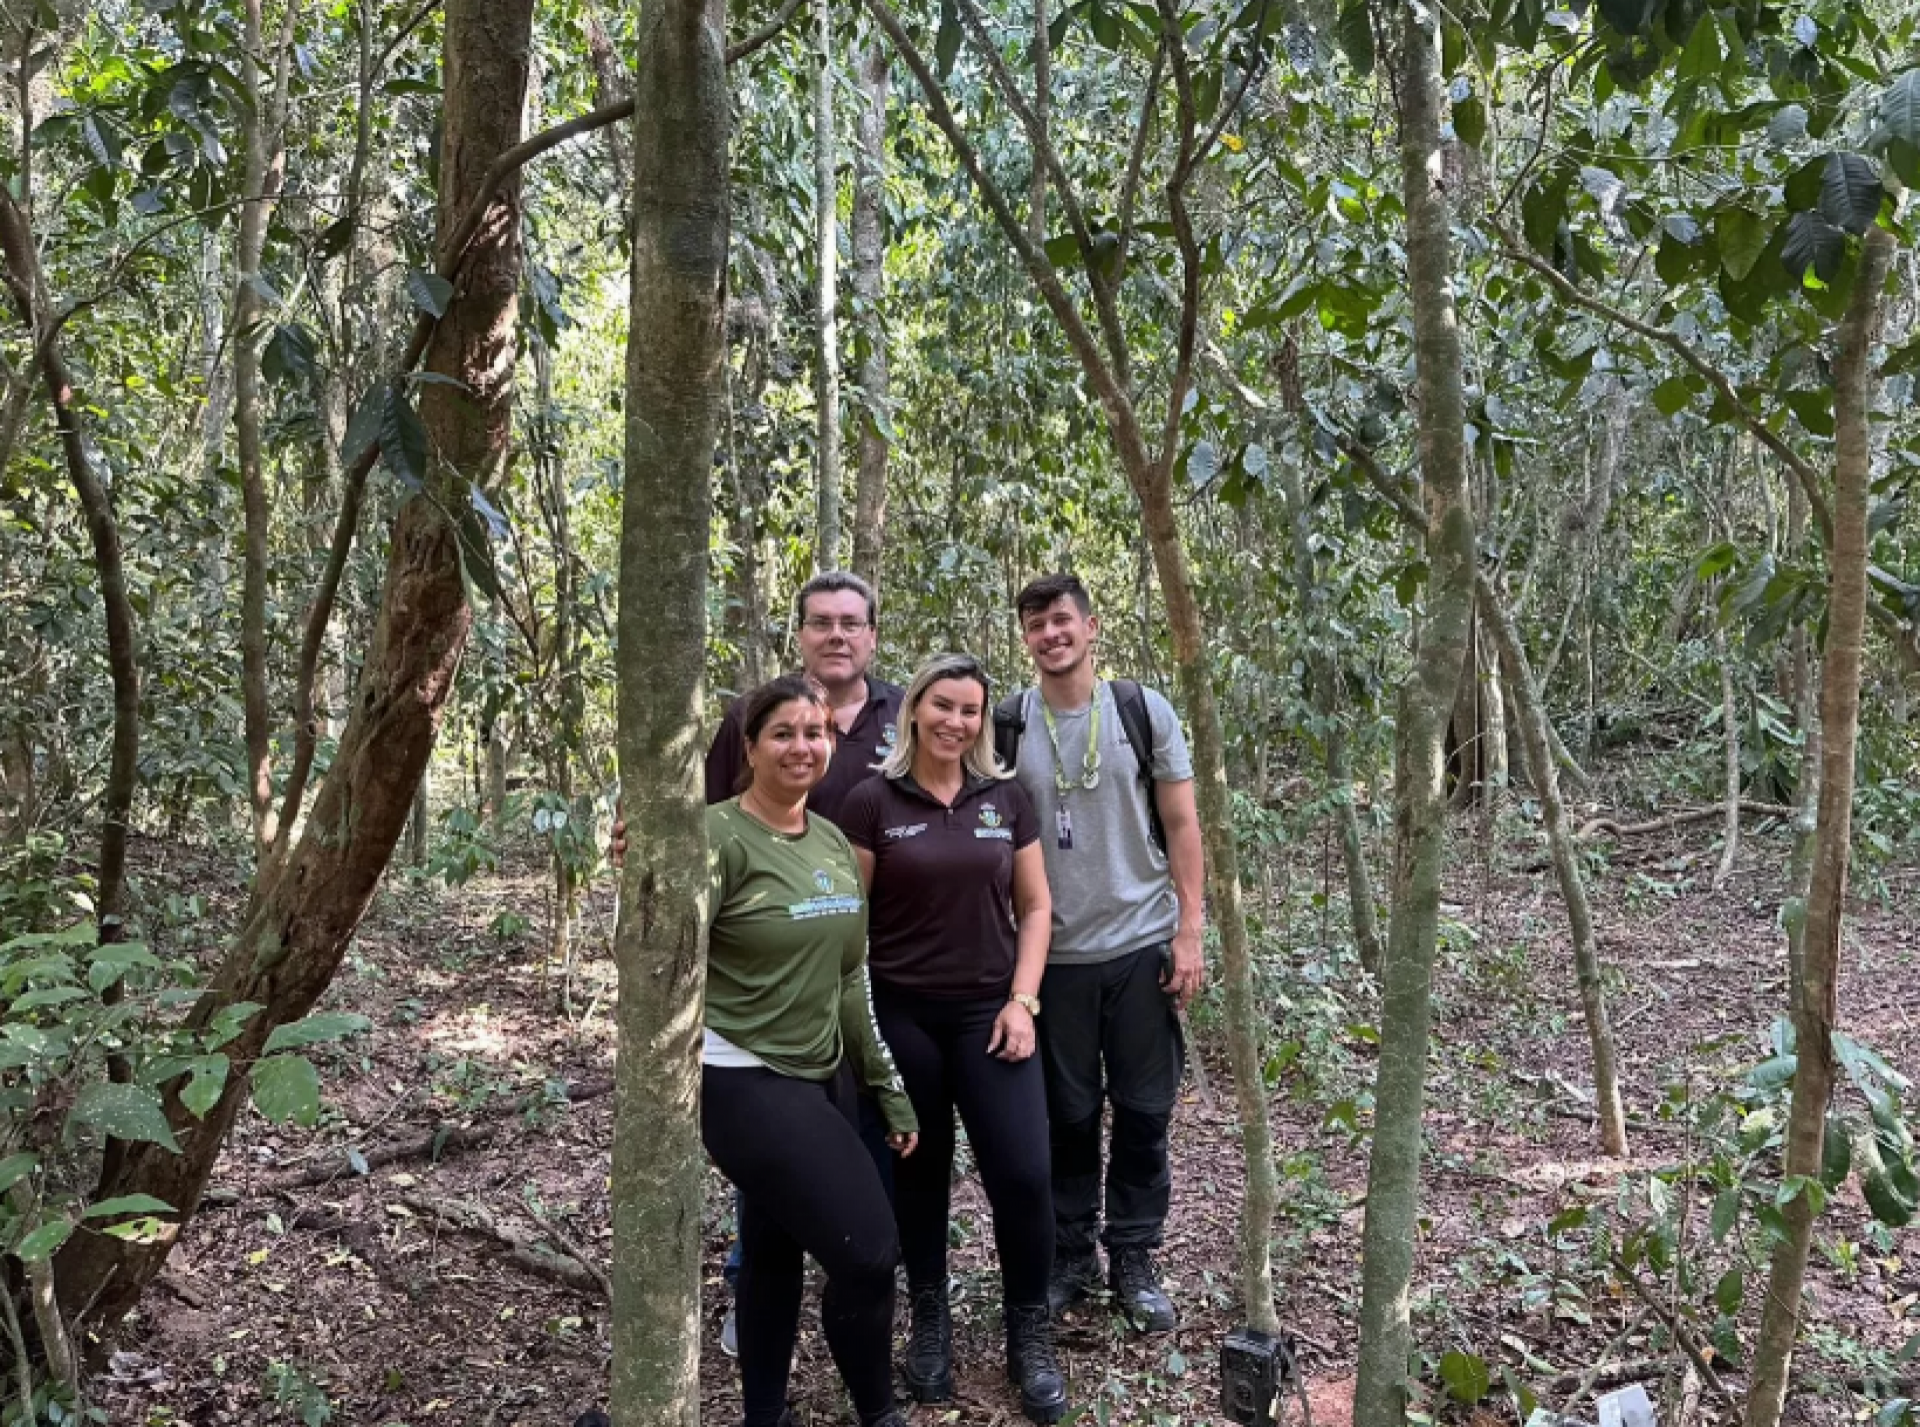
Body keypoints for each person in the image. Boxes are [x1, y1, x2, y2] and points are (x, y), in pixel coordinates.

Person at [614, 570, 904, 1355]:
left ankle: (876, 1323)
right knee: (778, 1192)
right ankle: (758, 1307)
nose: (837, 633)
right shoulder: (754, 717)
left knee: (858, 1179)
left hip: (858, 983)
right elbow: (689, 844)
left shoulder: (904, 716)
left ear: (872, 635)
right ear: (802, 633)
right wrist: (641, 851)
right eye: (821, 621)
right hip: (755, 1016)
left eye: (852, 621)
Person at [838, 655, 1067, 1425]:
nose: (956, 721)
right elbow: (851, 920)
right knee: (919, 1171)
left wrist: (1023, 1000)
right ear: (915, 711)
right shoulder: (874, 801)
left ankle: (1027, 1329)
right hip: (903, 1014)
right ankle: (929, 1318)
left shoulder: (1007, 797)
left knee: (1025, 1173)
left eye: (970, 710)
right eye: (942, 705)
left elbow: (1035, 907)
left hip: (991, 1015)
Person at [701, 675, 920, 1427]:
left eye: (815, 732)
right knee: (867, 1251)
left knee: (772, 1246)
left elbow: (850, 974)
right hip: (740, 1076)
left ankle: (764, 1413)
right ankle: (880, 1414)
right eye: (784, 733)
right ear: (750, 746)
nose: (803, 746)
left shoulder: (828, 838)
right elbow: (658, 958)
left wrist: (883, 1081)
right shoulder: (715, 836)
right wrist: (645, 865)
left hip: (824, 1072)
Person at [993, 573, 1205, 1334]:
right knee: (1069, 1117)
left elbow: (1181, 824)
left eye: (1060, 621)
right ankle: (1072, 1254)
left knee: (1146, 1113)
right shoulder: (1007, 723)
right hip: (1053, 955)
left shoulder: (1140, 712)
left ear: (1091, 626)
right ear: (1025, 639)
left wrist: (1189, 928)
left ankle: (1136, 1257)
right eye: (1035, 625)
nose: (1050, 635)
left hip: (1140, 941)